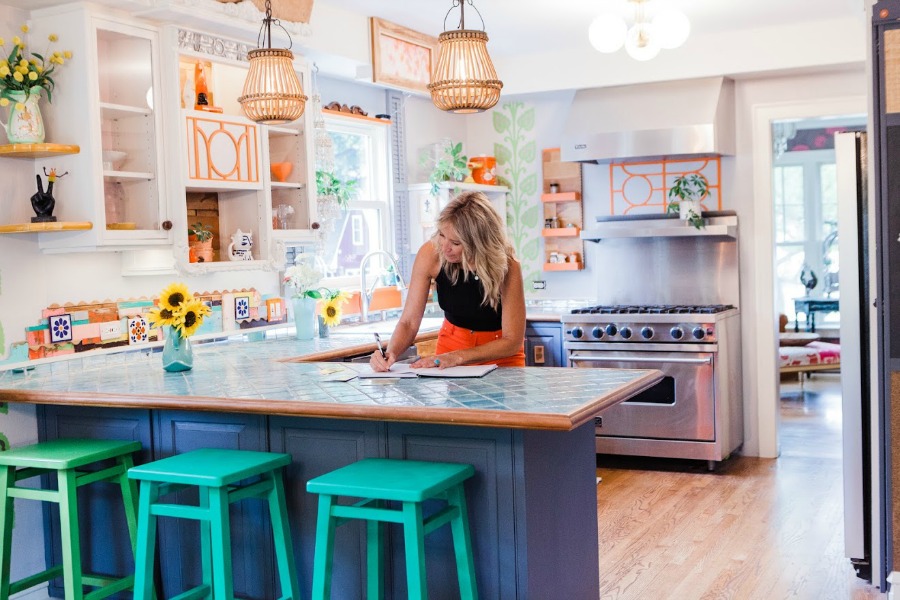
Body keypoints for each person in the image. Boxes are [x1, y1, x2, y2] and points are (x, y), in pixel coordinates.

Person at [370, 191, 526, 371]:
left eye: (456, 243)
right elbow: (409, 322)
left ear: (479, 243)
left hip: (500, 354)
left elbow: (512, 341)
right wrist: (391, 352)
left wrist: (458, 357)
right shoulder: (430, 254)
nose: (445, 247)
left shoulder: (508, 267)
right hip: (449, 349)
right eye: (442, 235)